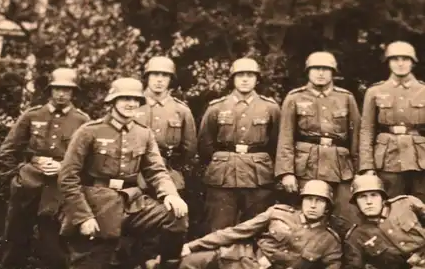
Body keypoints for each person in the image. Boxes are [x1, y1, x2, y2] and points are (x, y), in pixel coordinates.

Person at [57, 77, 189, 269]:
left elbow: (156, 170)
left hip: (132, 204)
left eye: (136, 99)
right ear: (112, 102)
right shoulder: (89, 132)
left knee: (176, 216)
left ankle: (164, 265)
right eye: (125, 98)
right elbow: (68, 177)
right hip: (96, 204)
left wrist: (170, 194)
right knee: (92, 261)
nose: (131, 104)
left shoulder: (144, 133)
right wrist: (83, 216)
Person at [0, 68, 90, 269]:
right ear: (50, 90)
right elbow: (7, 151)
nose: (61, 94)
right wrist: (18, 177)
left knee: (53, 248)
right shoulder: (33, 115)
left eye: (66, 89)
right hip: (26, 188)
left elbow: (90, 161)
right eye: (57, 88)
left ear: (74, 92)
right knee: (15, 243)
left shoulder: (82, 121)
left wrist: (63, 168)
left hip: (58, 191)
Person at [275, 51, 361, 225]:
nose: (321, 73)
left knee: (346, 217)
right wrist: (286, 172)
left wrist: (361, 171)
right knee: (306, 218)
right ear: (308, 72)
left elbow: (357, 138)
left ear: (333, 73)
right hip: (306, 166)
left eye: (325, 69)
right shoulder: (295, 97)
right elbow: (285, 137)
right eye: (316, 69)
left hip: (341, 169)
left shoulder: (346, 98)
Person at [178, 180, 342, 269]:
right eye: (309, 199)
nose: (312, 205)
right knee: (188, 263)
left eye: (319, 201)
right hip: (239, 260)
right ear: (301, 201)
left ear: (327, 207)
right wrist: (193, 246)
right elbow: (237, 232)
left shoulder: (330, 241)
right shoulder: (279, 213)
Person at [197, 57, 281, 233]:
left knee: (257, 226)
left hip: (258, 176)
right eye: (240, 75)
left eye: (250, 75)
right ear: (232, 79)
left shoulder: (270, 108)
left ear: (257, 79)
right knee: (219, 227)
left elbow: (276, 143)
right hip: (223, 175)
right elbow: (205, 144)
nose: (244, 79)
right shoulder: (216, 108)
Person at [359, 41, 425, 202]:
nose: (400, 63)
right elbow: (367, 130)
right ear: (388, 62)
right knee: (390, 205)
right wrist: (367, 166)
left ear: (413, 62)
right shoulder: (375, 91)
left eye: (405, 59)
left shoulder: (423, 91)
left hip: (420, 159)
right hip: (388, 159)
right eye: (395, 59)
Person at [135, 56, 197, 193]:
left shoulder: (181, 110)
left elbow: (189, 149)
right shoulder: (133, 105)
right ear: (147, 77)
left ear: (171, 80)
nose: (159, 80)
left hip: (169, 173)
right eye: (155, 74)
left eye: (165, 75)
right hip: (134, 175)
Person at [344, 174, 425, 269]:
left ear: (383, 198)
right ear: (356, 202)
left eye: (374, 195)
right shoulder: (356, 236)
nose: (369, 201)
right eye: (362, 197)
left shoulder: (406, 204)